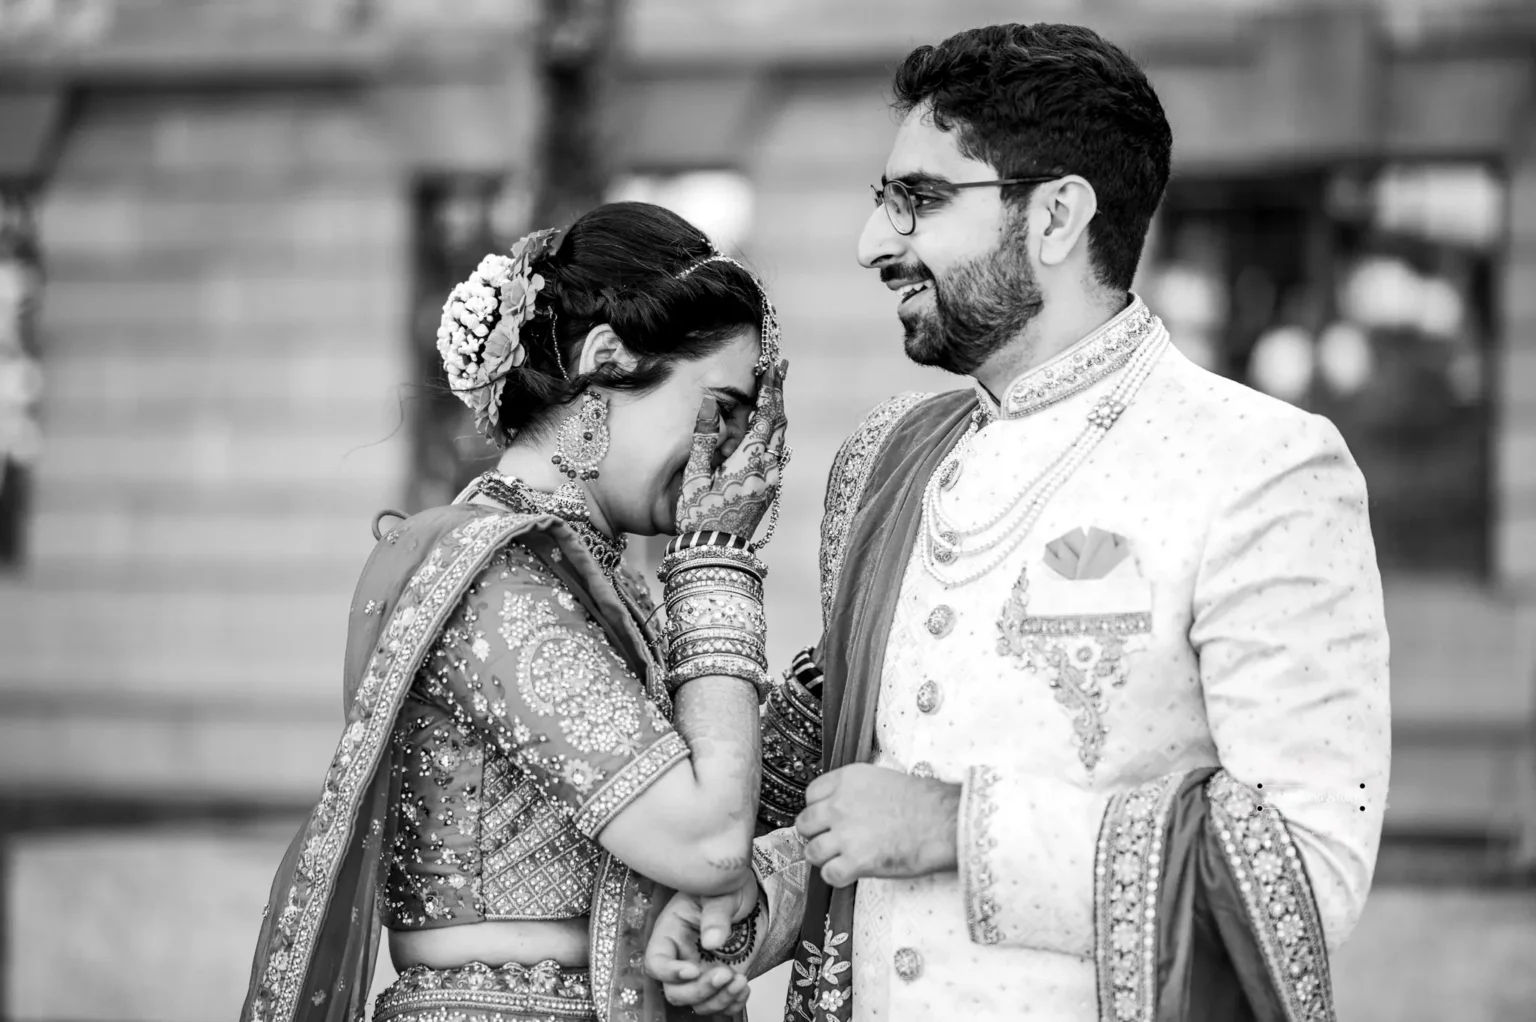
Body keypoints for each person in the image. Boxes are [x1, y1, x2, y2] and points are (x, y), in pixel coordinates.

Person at [646, 23, 1390, 1022]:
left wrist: (962, 827)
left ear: (1056, 216)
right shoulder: (886, 459)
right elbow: (848, 782)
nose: (874, 243)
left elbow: (1301, 874)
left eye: (916, 199)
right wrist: (768, 894)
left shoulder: (1261, 468)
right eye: (882, 200)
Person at [242, 201, 792, 1022]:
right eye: (723, 406)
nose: (742, 451)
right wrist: (717, 555)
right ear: (606, 359)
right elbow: (706, 842)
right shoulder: (495, 578)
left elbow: (713, 812)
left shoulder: (594, 579)